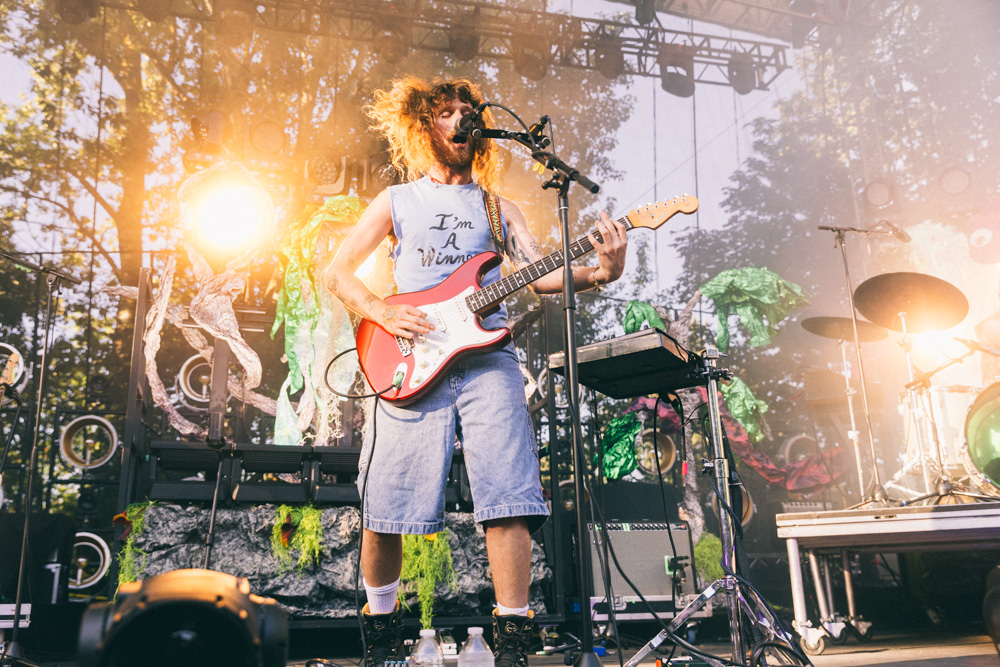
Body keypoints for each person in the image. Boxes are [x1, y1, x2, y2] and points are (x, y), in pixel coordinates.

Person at [326, 76, 627, 667]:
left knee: (508, 493)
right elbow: (337, 273)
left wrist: (600, 273)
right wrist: (383, 311)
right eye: (447, 112)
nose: (461, 119)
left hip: (489, 360)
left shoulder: (498, 206)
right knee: (386, 503)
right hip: (411, 356)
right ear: (424, 125)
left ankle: (513, 640)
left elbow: (537, 275)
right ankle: (382, 639)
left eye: (469, 111)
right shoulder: (396, 201)